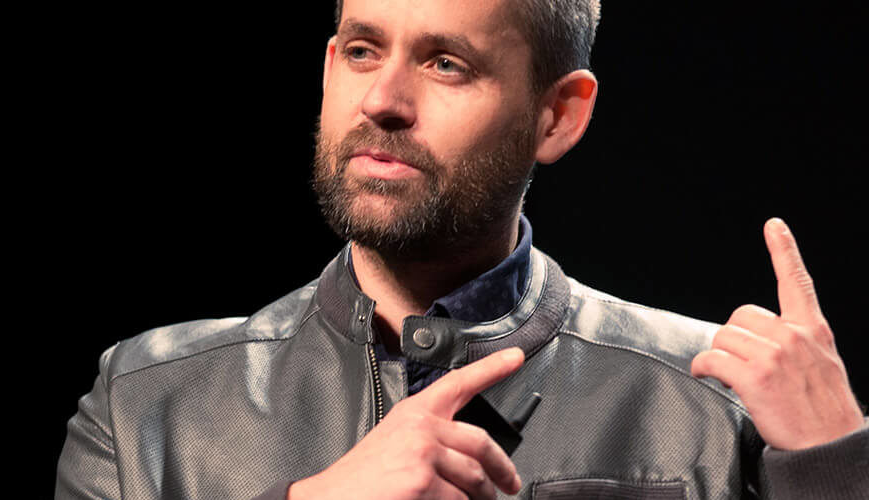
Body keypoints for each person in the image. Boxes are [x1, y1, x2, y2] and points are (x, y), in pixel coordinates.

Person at [56, 0, 868, 498]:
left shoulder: (716, 407)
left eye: (446, 64)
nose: (382, 100)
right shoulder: (143, 405)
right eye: (363, 50)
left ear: (558, 116)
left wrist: (837, 469)